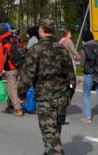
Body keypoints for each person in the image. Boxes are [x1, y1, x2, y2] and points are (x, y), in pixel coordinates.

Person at [18, 19, 76, 155]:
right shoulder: (62, 49)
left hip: (45, 100)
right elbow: (71, 78)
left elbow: (27, 75)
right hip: (62, 98)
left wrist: (21, 94)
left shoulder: (36, 49)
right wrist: (69, 95)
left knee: (51, 140)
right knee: (53, 135)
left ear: (41, 30)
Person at [0, 22, 24, 117]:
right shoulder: (14, 37)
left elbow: (2, 59)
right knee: (11, 87)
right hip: (20, 65)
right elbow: (22, 47)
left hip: (10, 68)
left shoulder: (2, 42)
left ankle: (18, 109)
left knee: (12, 89)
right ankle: (10, 105)